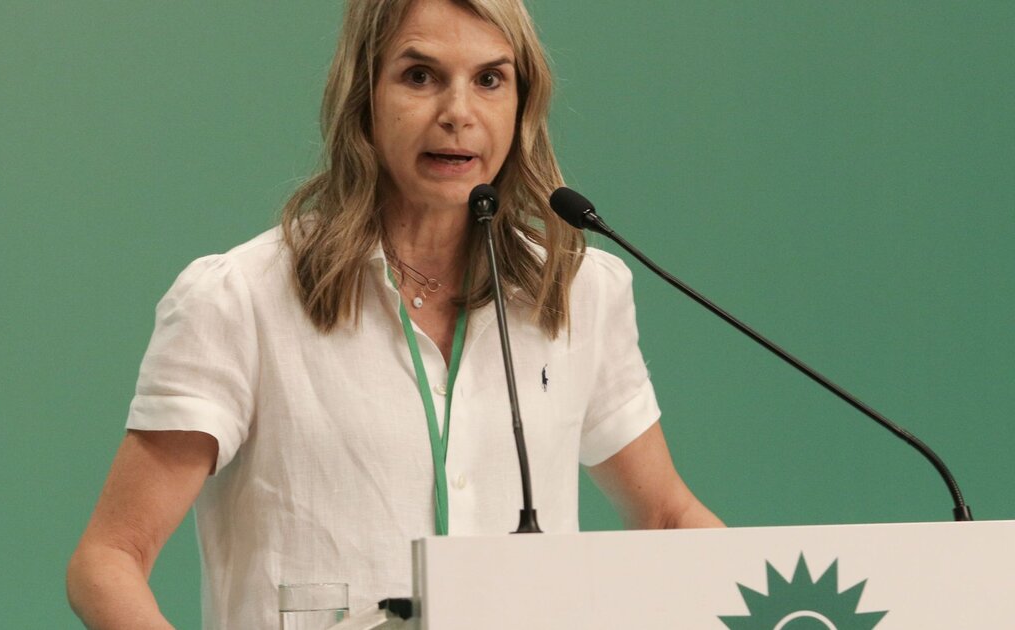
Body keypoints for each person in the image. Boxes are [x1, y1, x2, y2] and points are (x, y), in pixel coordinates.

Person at [67, 0, 723, 627]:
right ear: (364, 97)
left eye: (490, 79)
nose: (458, 113)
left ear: (521, 103)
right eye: (420, 76)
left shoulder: (578, 293)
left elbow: (668, 518)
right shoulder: (242, 300)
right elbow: (109, 558)